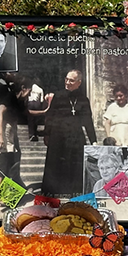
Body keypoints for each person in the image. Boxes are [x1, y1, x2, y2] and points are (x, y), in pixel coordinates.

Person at [41, 69, 96, 198]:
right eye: (66, 79)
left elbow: (88, 120)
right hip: (57, 135)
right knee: (55, 164)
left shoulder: (83, 100)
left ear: (79, 82)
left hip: (75, 137)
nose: (67, 82)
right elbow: (50, 116)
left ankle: (74, 192)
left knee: (74, 165)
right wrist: (46, 134)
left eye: (71, 80)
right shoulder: (58, 96)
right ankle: (53, 192)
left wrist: (93, 139)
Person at [0, 74, 30, 217]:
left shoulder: (16, 100)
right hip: (0, 133)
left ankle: (3, 200)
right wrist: (0, 135)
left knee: (6, 170)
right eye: (29, 91)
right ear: (23, 89)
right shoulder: (9, 96)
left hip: (8, 135)